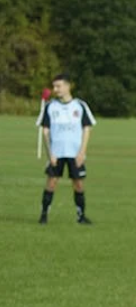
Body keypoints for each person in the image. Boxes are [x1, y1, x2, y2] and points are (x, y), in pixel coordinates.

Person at [37, 76, 95, 225]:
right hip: (56, 153)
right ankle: (44, 215)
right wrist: (50, 154)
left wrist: (82, 152)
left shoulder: (80, 105)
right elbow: (45, 132)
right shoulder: (50, 107)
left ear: (68, 86)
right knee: (51, 183)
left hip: (75, 153)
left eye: (58, 86)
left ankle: (81, 216)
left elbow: (87, 129)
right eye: (54, 87)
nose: (55, 90)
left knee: (78, 184)